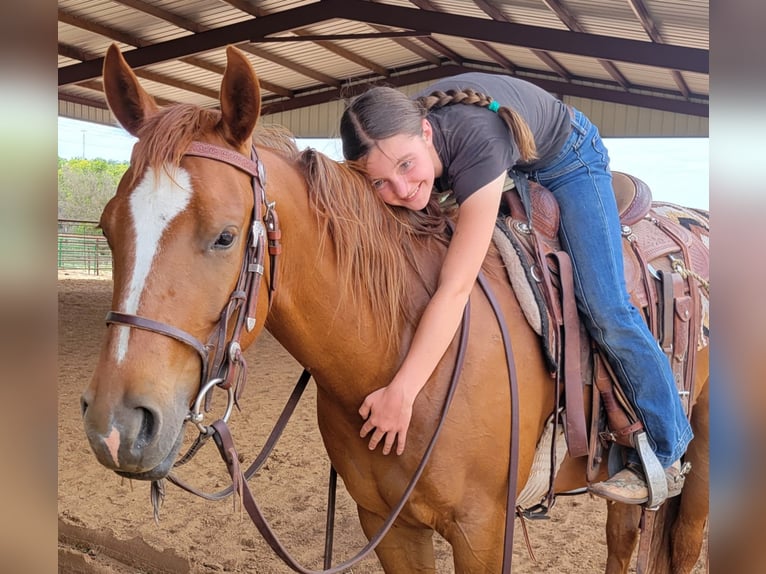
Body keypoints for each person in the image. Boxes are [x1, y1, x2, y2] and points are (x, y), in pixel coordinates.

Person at [339, 72, 692, 505]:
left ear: (426, 132)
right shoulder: (390, 129)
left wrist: (403, 392)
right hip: (508, 161)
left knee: (604, 305)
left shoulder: (478, 141)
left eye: (407, 166)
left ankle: (666, 446)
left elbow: (455, 288)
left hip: (567, 160)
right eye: (380, 183)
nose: (403, 189)